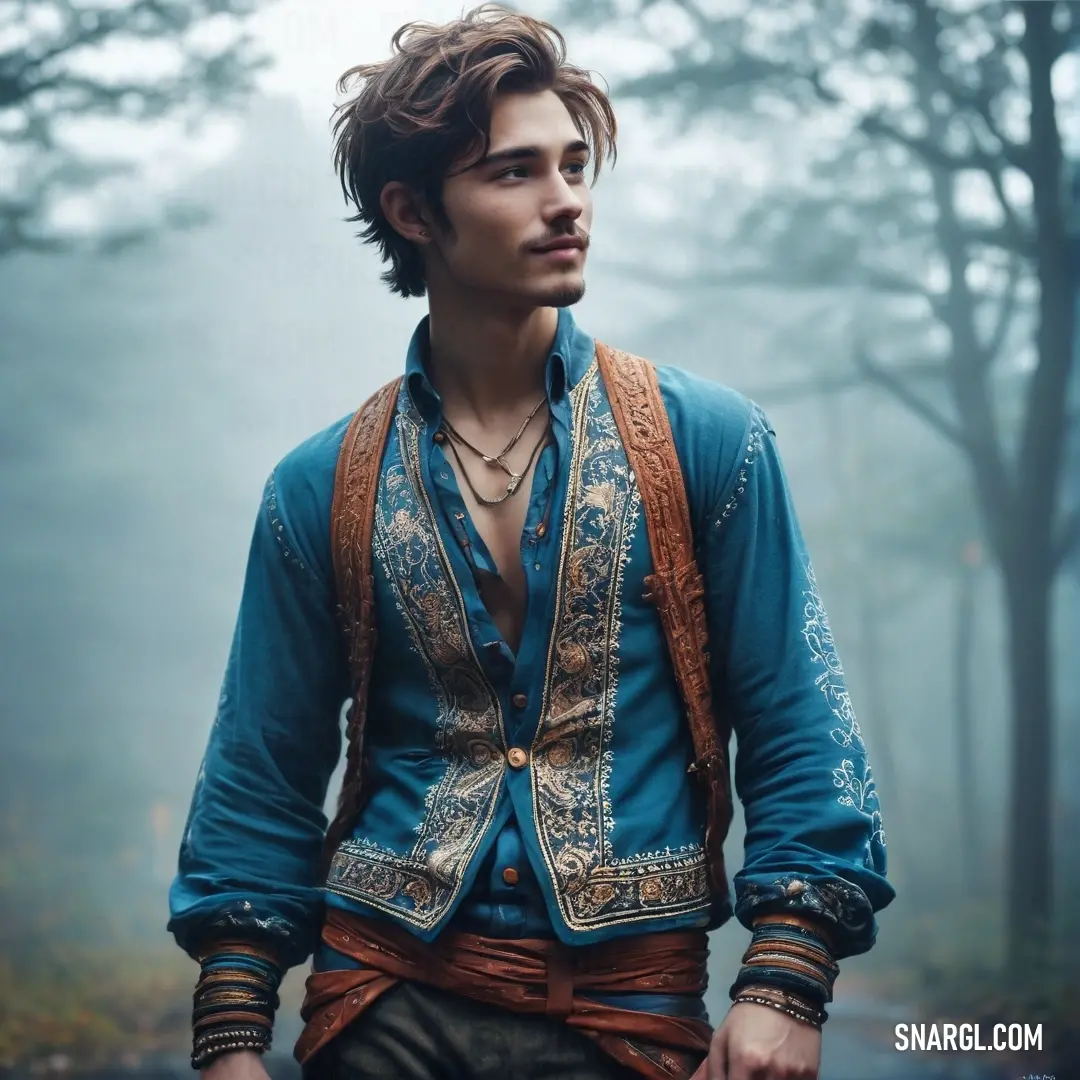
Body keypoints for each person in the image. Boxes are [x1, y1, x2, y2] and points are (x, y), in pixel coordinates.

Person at [167, 6, 894, 1079]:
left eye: (575, 164)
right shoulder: (320, 486)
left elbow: (798, 724)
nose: (567, 203)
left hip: (627, 1015)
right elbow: (261, 773)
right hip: (378, 1007)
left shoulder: (707, 444)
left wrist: (787, 979)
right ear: (412, 209)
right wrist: (231, 1031)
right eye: (515, 173)